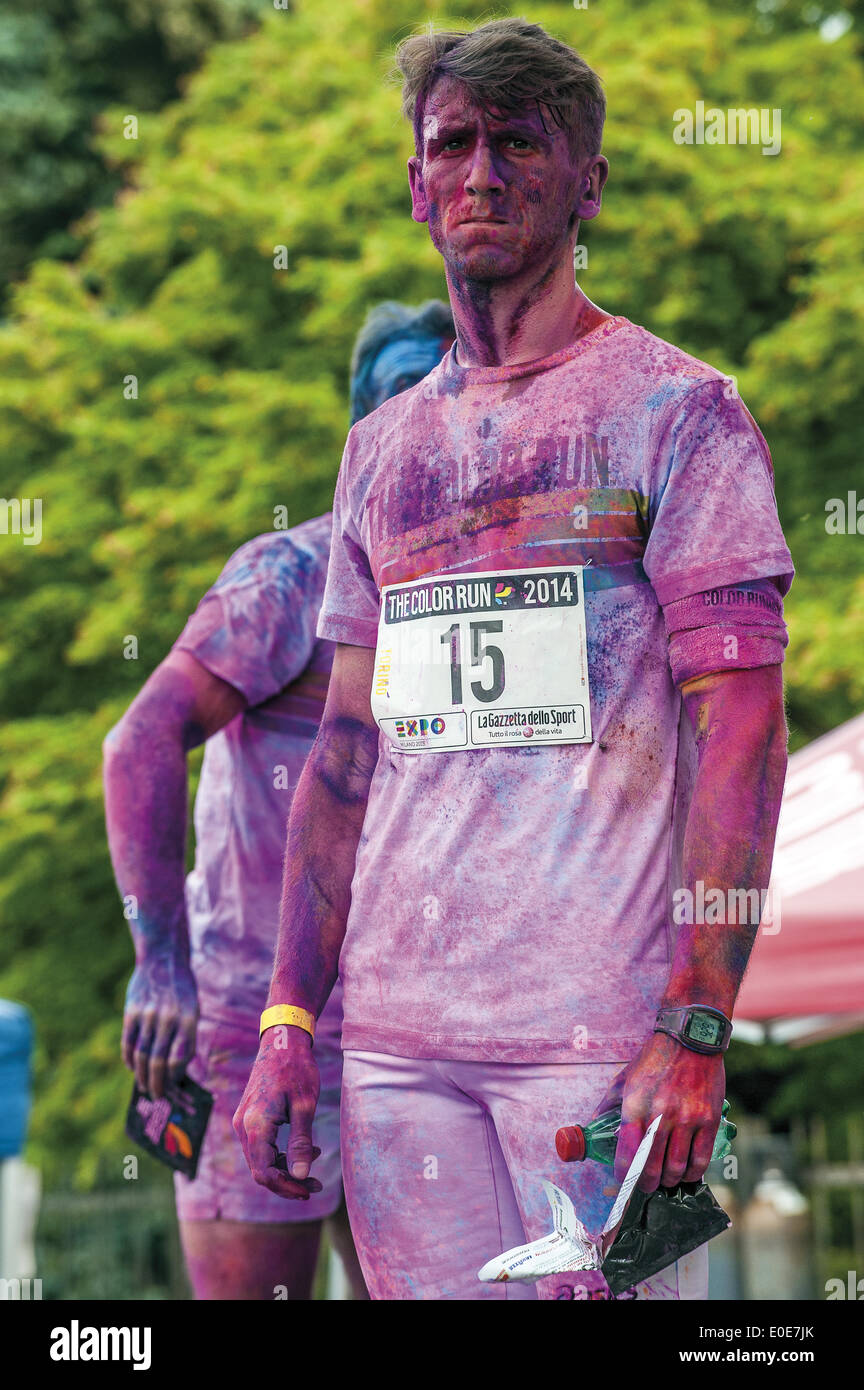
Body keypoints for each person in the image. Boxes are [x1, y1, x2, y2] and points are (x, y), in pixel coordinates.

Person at [235, 18, 794, 1300]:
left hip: (594, 1048)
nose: (482, 173)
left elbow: (743, 736)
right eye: (454, 142)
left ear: (585, 178)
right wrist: (286, 1022)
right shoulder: (379, 451)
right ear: (413, 179)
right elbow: (340, 757)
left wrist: (696, 1023)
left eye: (521, 144)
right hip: (393, 1051)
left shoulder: (679, 412)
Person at [103, 298, 455, 1300]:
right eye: (401, 394)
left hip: (415, 1030)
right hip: (250, 1024)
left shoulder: (482, 593)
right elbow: (138, 741)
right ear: (361, 429)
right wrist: (158, 965)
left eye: (447, 388)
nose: (425, 413)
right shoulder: (289, 577)